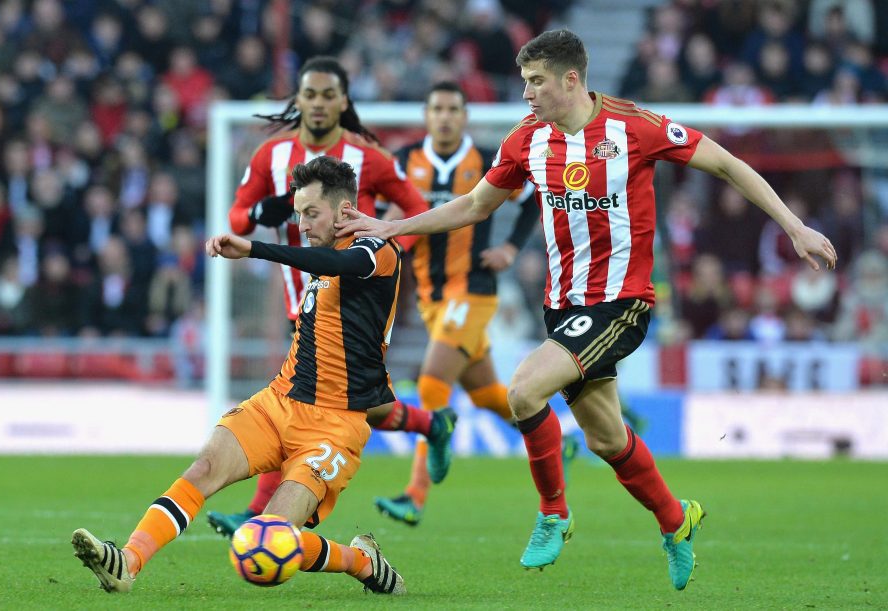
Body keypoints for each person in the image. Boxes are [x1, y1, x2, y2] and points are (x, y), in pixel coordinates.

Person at [336, 29, 838, 590]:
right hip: (563, 307)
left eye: (535, 82)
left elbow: (726, 165)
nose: (526, 93)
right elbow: (477, 204)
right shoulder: (527, 139)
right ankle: (677, 519)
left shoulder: (635, 128)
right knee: (607, 440)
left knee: (524, 389)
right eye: (524, 81)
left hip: (622, 304)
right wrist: (392, 226)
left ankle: (554, 513)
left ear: (570, 80)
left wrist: (794, 227)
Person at [72, 156, 406, 596]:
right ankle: (127, 562)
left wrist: (253, 248)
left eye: (311, 213)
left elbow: (336, 265)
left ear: (345, 210)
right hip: (278, 401)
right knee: (204, 467)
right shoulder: (323, 255)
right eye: (298, 214)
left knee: (273, 538)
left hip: (333, 425)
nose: (302, 224)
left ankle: (361, 561)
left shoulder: (378, 251)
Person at [208, 55, 455, 537]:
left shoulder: (369, 158)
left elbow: (417, 211)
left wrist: (384, 255)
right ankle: (430, 424)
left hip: (350, 297)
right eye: (310, 94)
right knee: (337, 401)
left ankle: (258, 512)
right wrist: (265, 209)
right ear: (297, 100)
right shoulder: (270, 156)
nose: (318, 104)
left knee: (312, 401)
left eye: (328, 95)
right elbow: (237, 220)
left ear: (344, 101)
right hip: (298, 294)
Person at [373, 81, 538, 526]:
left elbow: (533, 200)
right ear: (426, 116)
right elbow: (391, 217)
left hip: (474, 290)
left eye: (452, 109)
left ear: (464, 116)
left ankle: (415, 495)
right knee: (487, 396)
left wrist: (510, 248)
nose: (444, 117)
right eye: (437, 109)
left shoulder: (486, 160)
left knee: (430, 387)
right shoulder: (403, 162)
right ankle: (555, 438)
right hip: (431, 297)